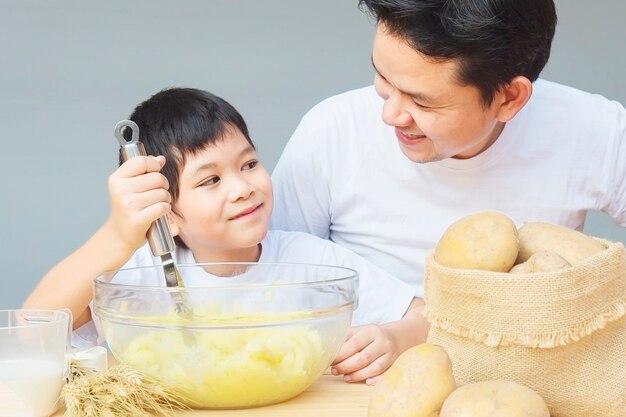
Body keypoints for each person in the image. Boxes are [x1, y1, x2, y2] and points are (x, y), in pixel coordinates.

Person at [23, 87, 426, 385]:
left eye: (249, 164)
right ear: (167, 212)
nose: (242, 187)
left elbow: (428, 317)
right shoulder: (139, 277)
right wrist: (116, 236)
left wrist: (395, 337)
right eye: (211, 179)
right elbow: (32, 331)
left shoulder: (312, 263)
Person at [271, 0, 625, 300]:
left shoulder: (598, 131)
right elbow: (274, 274)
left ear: (509, 98)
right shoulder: (331, 131)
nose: (389, 114)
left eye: (421, 102)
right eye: (382, 79)